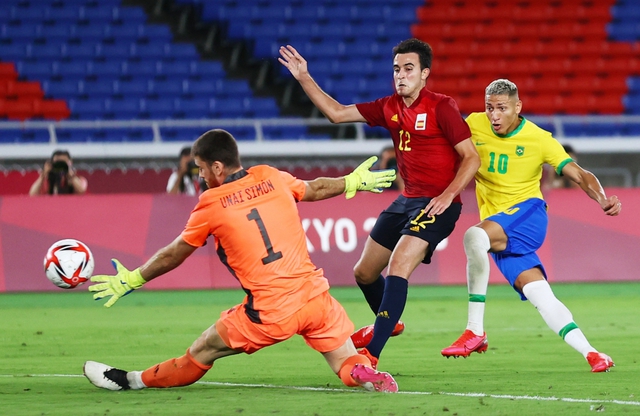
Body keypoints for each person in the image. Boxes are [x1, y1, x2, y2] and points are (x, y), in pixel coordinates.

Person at [83, 129, 400, 393]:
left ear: (218, 167)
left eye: (202, 169)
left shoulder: (211, 203)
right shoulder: (271, 176)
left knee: (202, 350)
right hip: (317, 298)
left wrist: (134, 278)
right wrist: (352, 182)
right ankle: (363, 373)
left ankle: (130, 381)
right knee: (345, 361)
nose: (203, 177)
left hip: (271, 312)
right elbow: (314, 188)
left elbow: (174, 253)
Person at [279, 38, 480, 368]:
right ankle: (392, 321)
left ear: (425, 74)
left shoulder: (442, 107)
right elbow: (336, 113)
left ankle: (371, 354)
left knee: (399, 264)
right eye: (397, 70)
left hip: (438, 206)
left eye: (409, 69)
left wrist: (447, 196)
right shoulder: (389, 107)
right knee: (364, 272)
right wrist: (303, 76)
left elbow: (471, 158)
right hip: (406, 202)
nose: (401, 76)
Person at [440, 79, 621, 372]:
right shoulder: (474, 124)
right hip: (501, 230)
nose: (494, 115)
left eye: (501, 108)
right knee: (540, 295)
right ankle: (593, 353)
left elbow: (579, 173)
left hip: (528, 215)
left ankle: (475, 330)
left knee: (474, 237)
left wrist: (601, 198)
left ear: (517, 107)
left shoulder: (539, 139)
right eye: (489, 108)